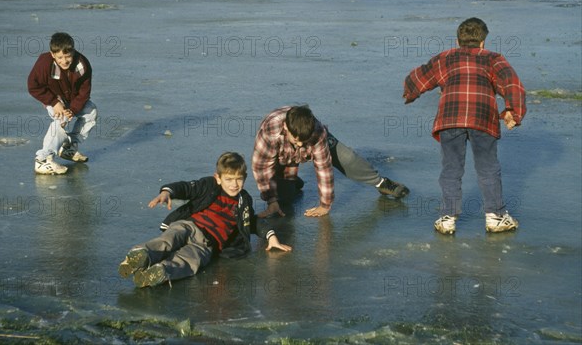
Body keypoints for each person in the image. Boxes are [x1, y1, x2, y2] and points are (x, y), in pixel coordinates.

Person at [403, 17, 526, 234]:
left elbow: (419, 75)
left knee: (451, 168)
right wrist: (513, 112)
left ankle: (447, 218)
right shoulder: (493, 59)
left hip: (450, 119)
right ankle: (495, 217)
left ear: (458, 40)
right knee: (488, 168)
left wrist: (411, 91)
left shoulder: (445, 58)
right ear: (482, 42)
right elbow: (511, 83)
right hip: (482, 119)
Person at [118, 152, 292, 288]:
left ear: (245, 179)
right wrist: (167, 192)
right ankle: (140, 255)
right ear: (218, 178)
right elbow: (186, 188)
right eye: (229, 179)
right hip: (190, 225)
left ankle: (161, 271)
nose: (234, 184)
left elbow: (253, 222)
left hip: (207, 243)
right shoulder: (209, 185)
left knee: (190, 260)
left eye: (239, 179)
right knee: (168, 239)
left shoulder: (243, 200)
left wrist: (271, 236)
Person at [252, 105, 410, 218]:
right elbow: (261, 168)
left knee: (347, 158)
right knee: (284, 199)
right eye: (296, 140)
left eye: (304, 141)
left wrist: (325, 205)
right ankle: (292, 182)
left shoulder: (317, 131)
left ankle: (381, 183)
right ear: (286, 128)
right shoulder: (269, 133)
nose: (300, 145)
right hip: (280, 157)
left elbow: (323, 168)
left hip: (312, 144)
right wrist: (271, 200)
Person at [28, 32, 97, 175]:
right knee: (61, 119)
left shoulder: (82, 64)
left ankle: (69, 148)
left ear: (73, 51)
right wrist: (53, 102)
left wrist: (73, 109)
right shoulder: (44, 63)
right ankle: (43, 159)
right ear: (52, 55)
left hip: (73, 101)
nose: (64, 61)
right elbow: (33, 86)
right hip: (53, 99)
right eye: (60, 57)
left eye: (68, 56)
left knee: (91, 110)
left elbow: (84, 92)